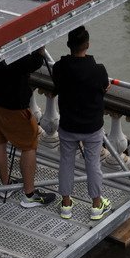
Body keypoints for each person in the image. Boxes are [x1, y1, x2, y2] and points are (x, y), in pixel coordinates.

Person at [52, 26, 111, 222]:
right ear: (87, 45)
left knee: (66, 162)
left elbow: (58, 84)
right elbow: (104, 87)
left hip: (68, 124)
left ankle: (66, 204)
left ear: (69, 45)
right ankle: (96, 205)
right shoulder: (98, 70)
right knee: (93, 164)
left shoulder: (59, 67)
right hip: (92, 126)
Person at [0, 49, 58, 208]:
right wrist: (39, 50)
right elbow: (35, 62)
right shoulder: (17, 54)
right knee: (29, 145)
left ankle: (5, 186)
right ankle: (29, 195)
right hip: (14, 105)